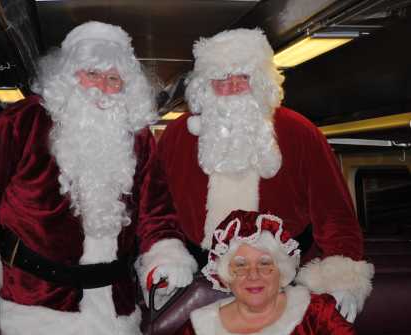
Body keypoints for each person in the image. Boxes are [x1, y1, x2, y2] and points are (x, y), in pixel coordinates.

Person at [0, 21, 195, 335]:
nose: (102, 87)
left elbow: (156, 210)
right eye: (92, 74)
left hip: (114, 308)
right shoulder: (24, 121)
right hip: (33, 304)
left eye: (113, 78)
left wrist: (164, 255)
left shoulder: (139, 137)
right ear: (69, 76)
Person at [141, 28, 373, 322]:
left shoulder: (300, 132)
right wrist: (165, 255)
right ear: (205, 87)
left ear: (262, 82)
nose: (234, 87)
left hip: (283, 285)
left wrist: (341, 277)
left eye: (244, 77)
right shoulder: (177, 136)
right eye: (222, 79)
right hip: (198, 284)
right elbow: (156, 211)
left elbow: (335, 214)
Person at [177, 210, 372, 335]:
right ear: (226, 276)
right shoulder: (198, 328)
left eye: (264, 264)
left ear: (282, 271)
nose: (253, 275)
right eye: (241, 265)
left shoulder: (316, 314)